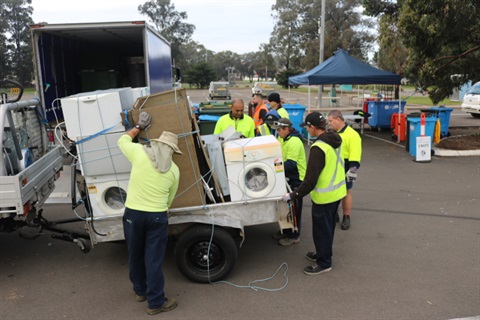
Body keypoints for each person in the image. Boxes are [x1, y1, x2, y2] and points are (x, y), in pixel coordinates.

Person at [117, 111, 181, 315]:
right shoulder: (174, 170)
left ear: (157, 144)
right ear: (171, 150)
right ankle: (155, 303)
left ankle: (140, 291)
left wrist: (139, 127)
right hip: (157, 216)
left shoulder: (139, 153)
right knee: (152, 260)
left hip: (133, 214)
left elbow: (122, 141)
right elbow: (169, 200)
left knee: (134, 254)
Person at [282, 112, 346, 275]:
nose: (306, 131)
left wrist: (293, 195)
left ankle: (324, 263)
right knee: (328, 228)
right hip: (337, 192)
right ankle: (323, 253)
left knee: (321, 230)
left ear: (312, 127)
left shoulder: (318, 148)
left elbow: (310, 180)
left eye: (307, 127)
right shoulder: (334, 138)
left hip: (325, 196)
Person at [271, 118, 306, 246]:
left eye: (279, 130)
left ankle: (294, 235)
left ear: (287, 129)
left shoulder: (294, 141)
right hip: (287, 177)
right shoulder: (284, 139)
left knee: (294, 209)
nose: (278, 132)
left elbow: (291, 164)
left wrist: (273, 168)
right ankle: (287, 230)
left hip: (297, 179)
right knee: (286, 207)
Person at [327, 110, 362, 230]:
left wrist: (353, 170)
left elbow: (355, 154)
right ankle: (334, 213)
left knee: (346, 192)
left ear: (338, 119)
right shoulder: (332, 133)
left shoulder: (352, 135)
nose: (329, 124)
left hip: (346, 165)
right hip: (333, 165)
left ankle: (346, 216)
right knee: (333, 190)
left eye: (330, 121)